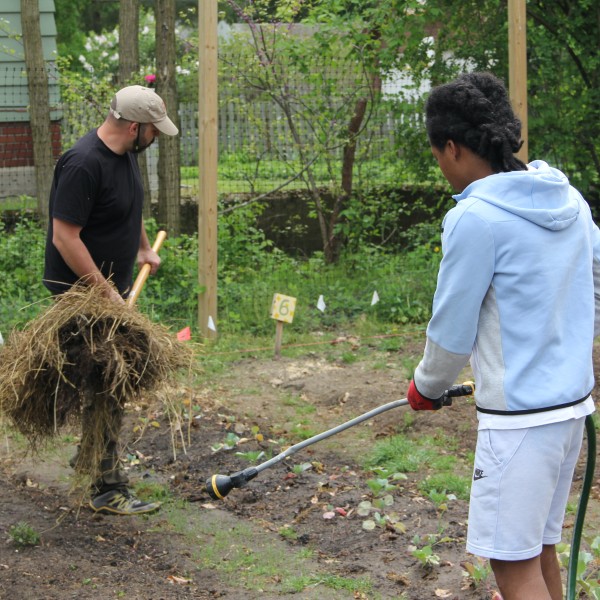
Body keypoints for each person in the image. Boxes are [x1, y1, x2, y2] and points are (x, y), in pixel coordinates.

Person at [406, 72, 598, 599]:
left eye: (438, 156)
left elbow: (452, 327)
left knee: (512, 568)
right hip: (570, 414)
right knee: (539, 549)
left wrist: (427, 384)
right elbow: (595, 285)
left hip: (519, 426)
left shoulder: (477, 217)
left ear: (453, 147)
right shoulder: (571, 202)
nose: (441, 168)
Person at [43, 85, 179, 515]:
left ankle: (92, 459)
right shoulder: (83, 164)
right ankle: (106, 487)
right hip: (81, 299)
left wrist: (141, 246)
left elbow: (129, 207)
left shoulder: (125, 156)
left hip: (110, 294)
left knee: (104, 384)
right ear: (135, 127)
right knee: (108, 383)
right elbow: (64, 237)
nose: (156, 139)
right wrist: (105, 295)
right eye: (154, 132)